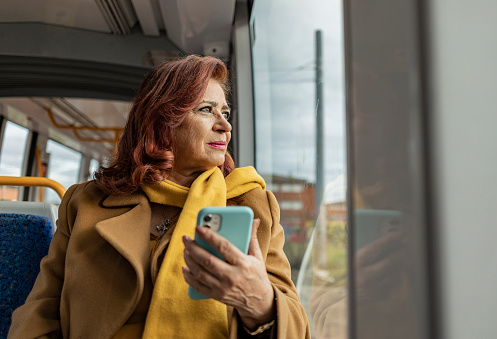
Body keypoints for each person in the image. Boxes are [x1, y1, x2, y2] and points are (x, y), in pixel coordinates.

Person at [9, 55, 310, 339]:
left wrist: (261, 304)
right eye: (207, 110)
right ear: (162, 120)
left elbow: (297, 327)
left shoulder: (252, 204)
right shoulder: (85, 203)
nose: (225, 125)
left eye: (226, 112)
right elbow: (42, 310)